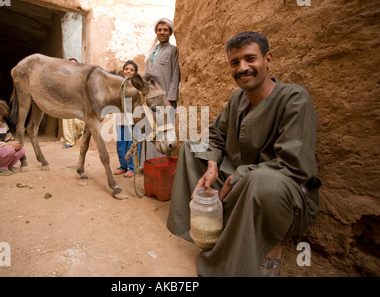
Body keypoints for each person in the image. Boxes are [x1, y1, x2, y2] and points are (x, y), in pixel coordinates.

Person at [166, 31, 321, 277]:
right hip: (234, 178)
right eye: (235, 62)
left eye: (250, 59)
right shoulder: (238, 97)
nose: (243, 68)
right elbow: (216, 135)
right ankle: (210, 227)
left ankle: (270, 247)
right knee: (189, 148)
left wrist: (240, 176)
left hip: (280, 191)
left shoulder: (294, 98)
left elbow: (294, 165)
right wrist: (212, 165)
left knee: (261, 182)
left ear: (268, 60)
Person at [140, 17, 180, 168]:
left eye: (165, 30)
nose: (162, 32)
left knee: (164, 133)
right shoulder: (151, 52)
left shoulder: (173, 51)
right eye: (159, 30)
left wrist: (170, 99)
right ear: (156, 32)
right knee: (150, 131)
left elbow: (175, 75)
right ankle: (149, 167)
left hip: (164, 101)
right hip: (150, 100)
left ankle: (162, 167)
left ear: (170, 33)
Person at [113, 60, 141, 178]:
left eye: (131, 70)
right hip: (120, 119)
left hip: (133, 120)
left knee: (132, 144)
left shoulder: (137, 86)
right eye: (126, 69)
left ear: (135, 73)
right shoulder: (118, 83)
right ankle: (123, 166)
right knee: (120, 144)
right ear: (123, 70)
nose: (128, 71)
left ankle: (132, 167)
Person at [60, 58, 85, 148]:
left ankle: (80, 133)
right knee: (67, 122)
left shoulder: (81, 76)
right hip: (66, 102)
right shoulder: (63, 77)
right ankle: (69, 141)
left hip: (78, 102)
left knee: (78, 122)